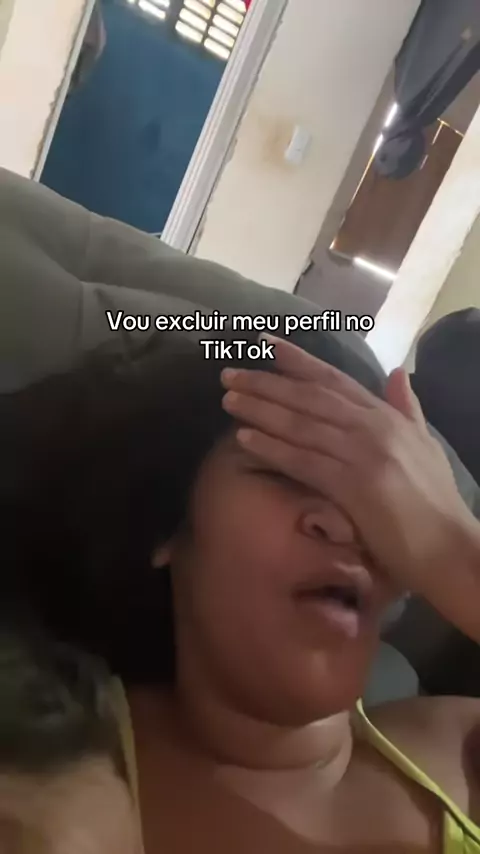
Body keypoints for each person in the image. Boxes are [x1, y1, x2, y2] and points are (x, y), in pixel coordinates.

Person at [3, 325, 480, 854]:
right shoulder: (52, 796)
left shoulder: (465, 751)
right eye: (285, 475)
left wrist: (455, 552)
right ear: (168, 523)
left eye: (377, 502)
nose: (343, 525)